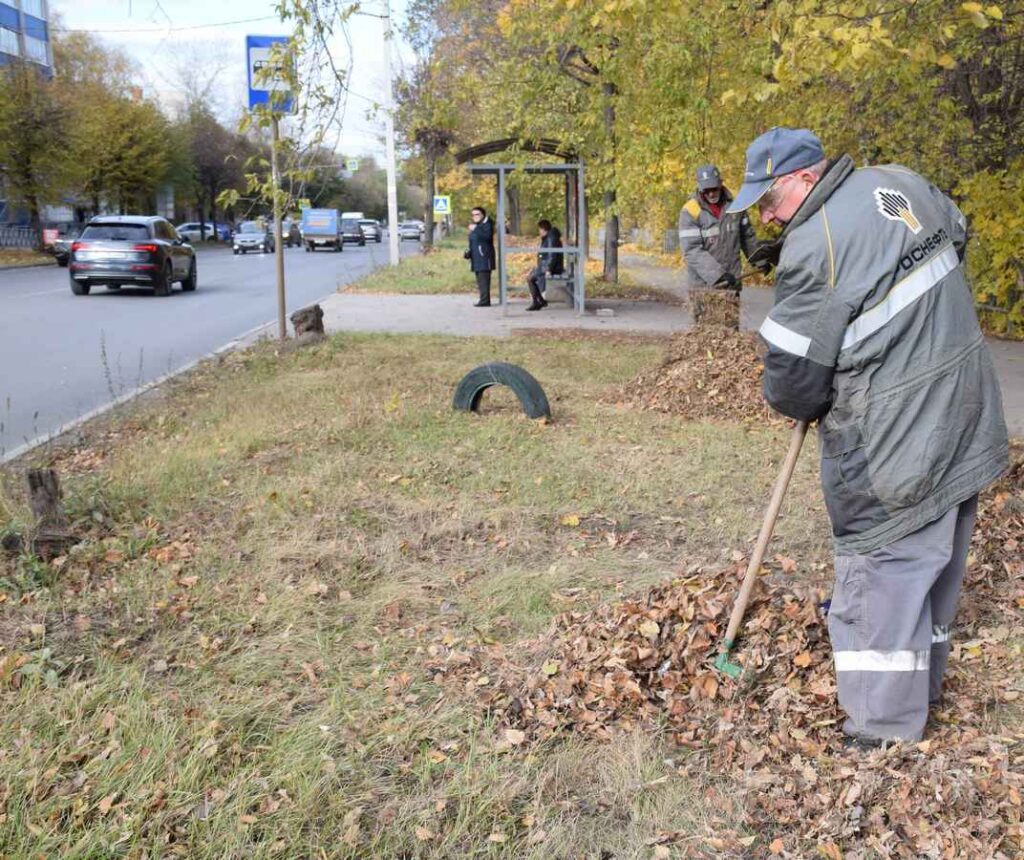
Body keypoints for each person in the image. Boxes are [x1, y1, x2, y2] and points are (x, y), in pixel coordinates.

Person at [727, 127, 1008, 747]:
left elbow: (794, 385)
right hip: (964, 408)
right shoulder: (900, 181)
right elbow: (955, 239)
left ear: (804, 177)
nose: (768, 219)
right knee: (936, 562)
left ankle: (882, 730)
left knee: (884, 571)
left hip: (894, 441)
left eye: (769, 202)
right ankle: (924, 687)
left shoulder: (816, 245)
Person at [678, 164, 764, 292]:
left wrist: (760, 260)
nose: (711, 194)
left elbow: (747, 237)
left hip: (731, 284)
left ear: (721, 184)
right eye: (706, 190)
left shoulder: (736, 206)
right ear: (699, 187)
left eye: (714, 189)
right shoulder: (690, 211)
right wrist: (718, 275)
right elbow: (692, 250)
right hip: (704, 288)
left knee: (730, 313)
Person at [525, 219, 563, 311]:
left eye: (539, 229)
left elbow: (552, 255)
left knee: (530, 278)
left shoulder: (551, 238)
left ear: (543, 229)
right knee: (530, 276)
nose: (539, 232)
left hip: (552, 267)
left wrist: (548, 269)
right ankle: (539, 301)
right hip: (547, 265)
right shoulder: (549, 237)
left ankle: (538, 302)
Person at [466, 206, 496, 307]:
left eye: (477, 214)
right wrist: (469, 252)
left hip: (484, 257)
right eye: (473, 214)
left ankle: (485, 301)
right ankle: (483, 299)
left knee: (484, 279)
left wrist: (476, 229)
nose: (475, 216)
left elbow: (487, 237)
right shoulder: (477, 225)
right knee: (480, 280)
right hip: (476, 257)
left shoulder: (487, 224)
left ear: (483, 215)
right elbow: (473, 240)